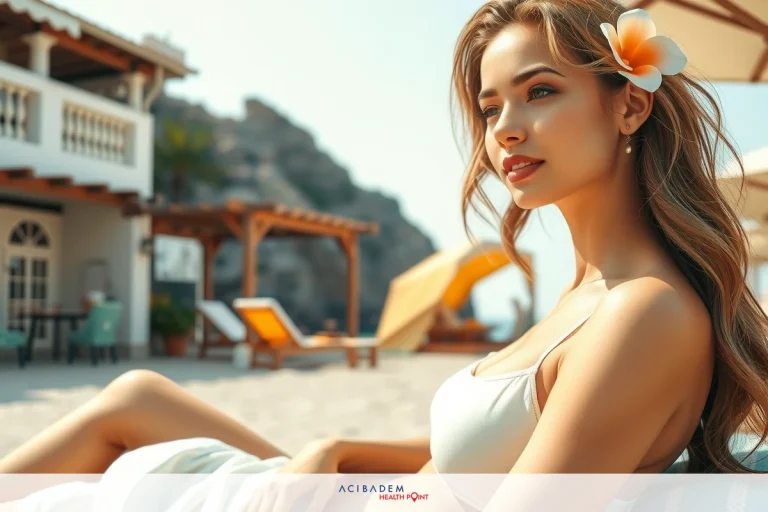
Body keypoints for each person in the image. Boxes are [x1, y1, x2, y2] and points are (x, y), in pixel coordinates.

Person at [2, 0, 767, 496]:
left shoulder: (644, 314)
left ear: (630, 105)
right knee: (138, 395)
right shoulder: (585, 300)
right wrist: (338, 449)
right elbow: (473, 454)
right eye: (490, 104)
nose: (501, 130)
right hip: (351, 493)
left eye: (540, 91)